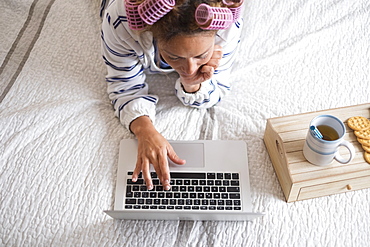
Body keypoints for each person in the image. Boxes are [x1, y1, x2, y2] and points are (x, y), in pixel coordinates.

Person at [101, 0, 243, 190]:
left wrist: (192, 83)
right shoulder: (121, 20)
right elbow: (123, 86)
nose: (190, 68)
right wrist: (145, 131)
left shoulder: (227, 23)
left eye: (201, 55)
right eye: (174, 57)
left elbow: (217, 89)